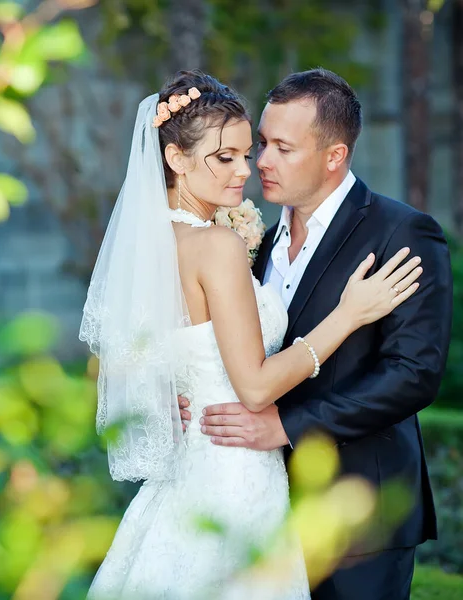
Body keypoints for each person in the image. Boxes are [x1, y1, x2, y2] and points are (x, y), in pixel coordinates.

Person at [80, 69, 422, 600]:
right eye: (228, 157)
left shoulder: (154, 243)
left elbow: (114, 360)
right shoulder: (220, 245)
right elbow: (256, 388)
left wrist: (163, 396)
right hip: (234, 475)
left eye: (253, 150)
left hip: (196, 470)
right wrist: (348, 315)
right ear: (175, 159)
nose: (249, 169)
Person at [190, 68, 453, 600]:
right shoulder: (254, 240)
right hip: (261, 505)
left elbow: (413, 375)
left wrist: (286, 426)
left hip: (361, 513)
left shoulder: (401, 232)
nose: (260, 160)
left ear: (334, 156)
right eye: (262, 142)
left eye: (282, 148)